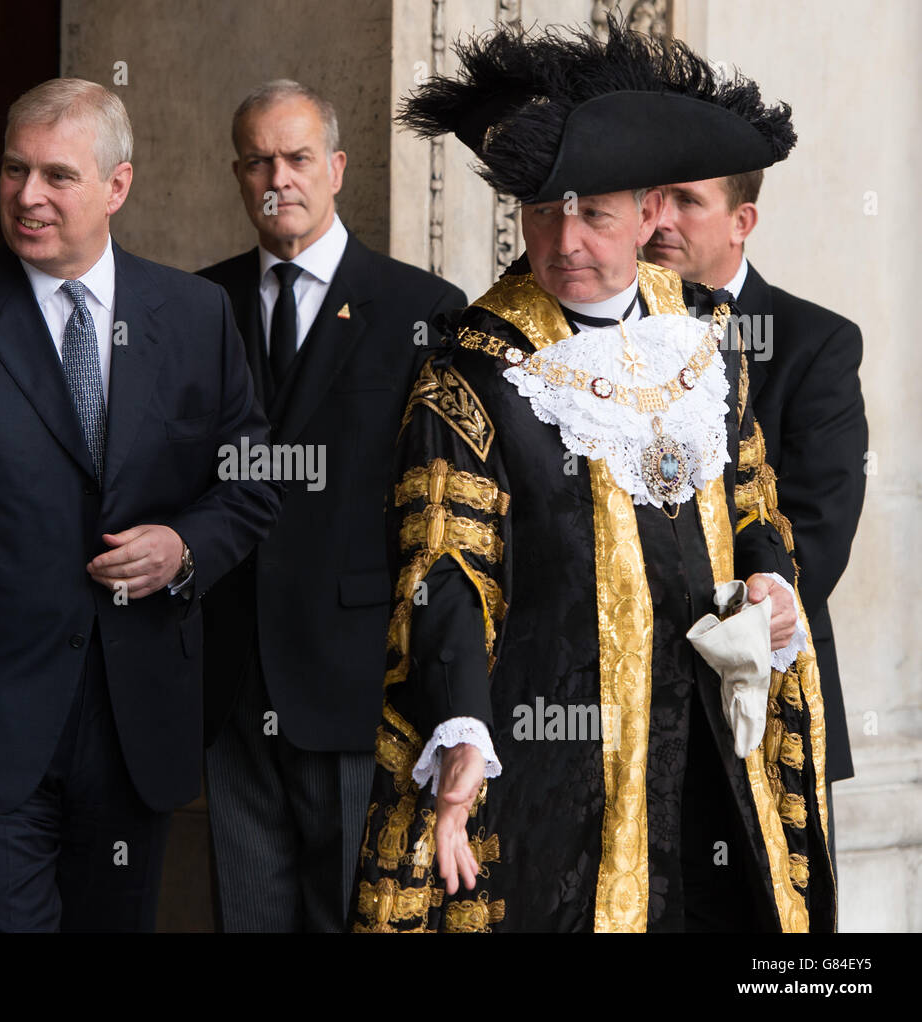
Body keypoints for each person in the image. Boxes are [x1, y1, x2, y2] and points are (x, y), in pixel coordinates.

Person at [350, 21, 835, 932]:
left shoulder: (701, 332)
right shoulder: (478, 365)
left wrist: (769, 576)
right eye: (542, 211)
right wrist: (460, 733)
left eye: (592, 213)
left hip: (704, 752)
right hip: (553, 755)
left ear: (651, 211)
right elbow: (442, 565)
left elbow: (752, 499)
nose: (564, 238)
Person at [0, 78, 281, 933]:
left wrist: (184, 545)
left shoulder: (197, 314)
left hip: (139, 721)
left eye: (56, 175)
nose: (26, 196)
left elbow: (253, 476)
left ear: (116, 187)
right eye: (15, 171)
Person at [197, 80, 465, 932]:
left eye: (298, 156)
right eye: (258, 160)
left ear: (337, 168)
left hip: (358, 678)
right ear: (239, 175)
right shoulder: (198, 306)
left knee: (354, 920)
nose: (280, 176)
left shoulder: (421, 309)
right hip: (227, 676)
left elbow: (441, 513)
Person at [645, 173, 868, 867]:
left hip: (767, 697)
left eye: (687, 201)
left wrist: (728, 614)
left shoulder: (816, 341)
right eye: (651, 200)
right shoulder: (606, 333)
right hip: (633, 707)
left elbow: (818, 530)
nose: (660, 221)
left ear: (743, 220)